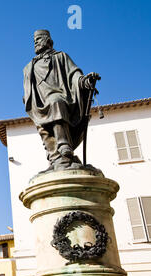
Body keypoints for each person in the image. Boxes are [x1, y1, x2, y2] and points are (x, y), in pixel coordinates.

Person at [23, 29, 99, 171]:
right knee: (43, 124)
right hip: (38, 102)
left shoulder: (61, 57)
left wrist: (84, 81)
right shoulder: (29, 67)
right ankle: (55, 158)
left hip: (62, 96)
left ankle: (64, 145)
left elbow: (74, 74)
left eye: (39, 39)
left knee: (55, 100)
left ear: (48, 41)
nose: (36, 42)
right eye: (35, 41)